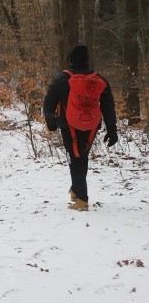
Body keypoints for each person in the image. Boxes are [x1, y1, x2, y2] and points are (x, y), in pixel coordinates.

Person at [43, 45, 117, 211]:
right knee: (81, 158)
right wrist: (112, 129)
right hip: (91, 126)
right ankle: (76, 191)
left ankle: (82, 199)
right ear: (87, 60)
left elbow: (48, 103)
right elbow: (108, 106)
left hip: (68, 126)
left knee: (76, 159)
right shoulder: (99, 80)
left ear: (71, 59)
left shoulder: (62, 79)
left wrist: (51, 121)